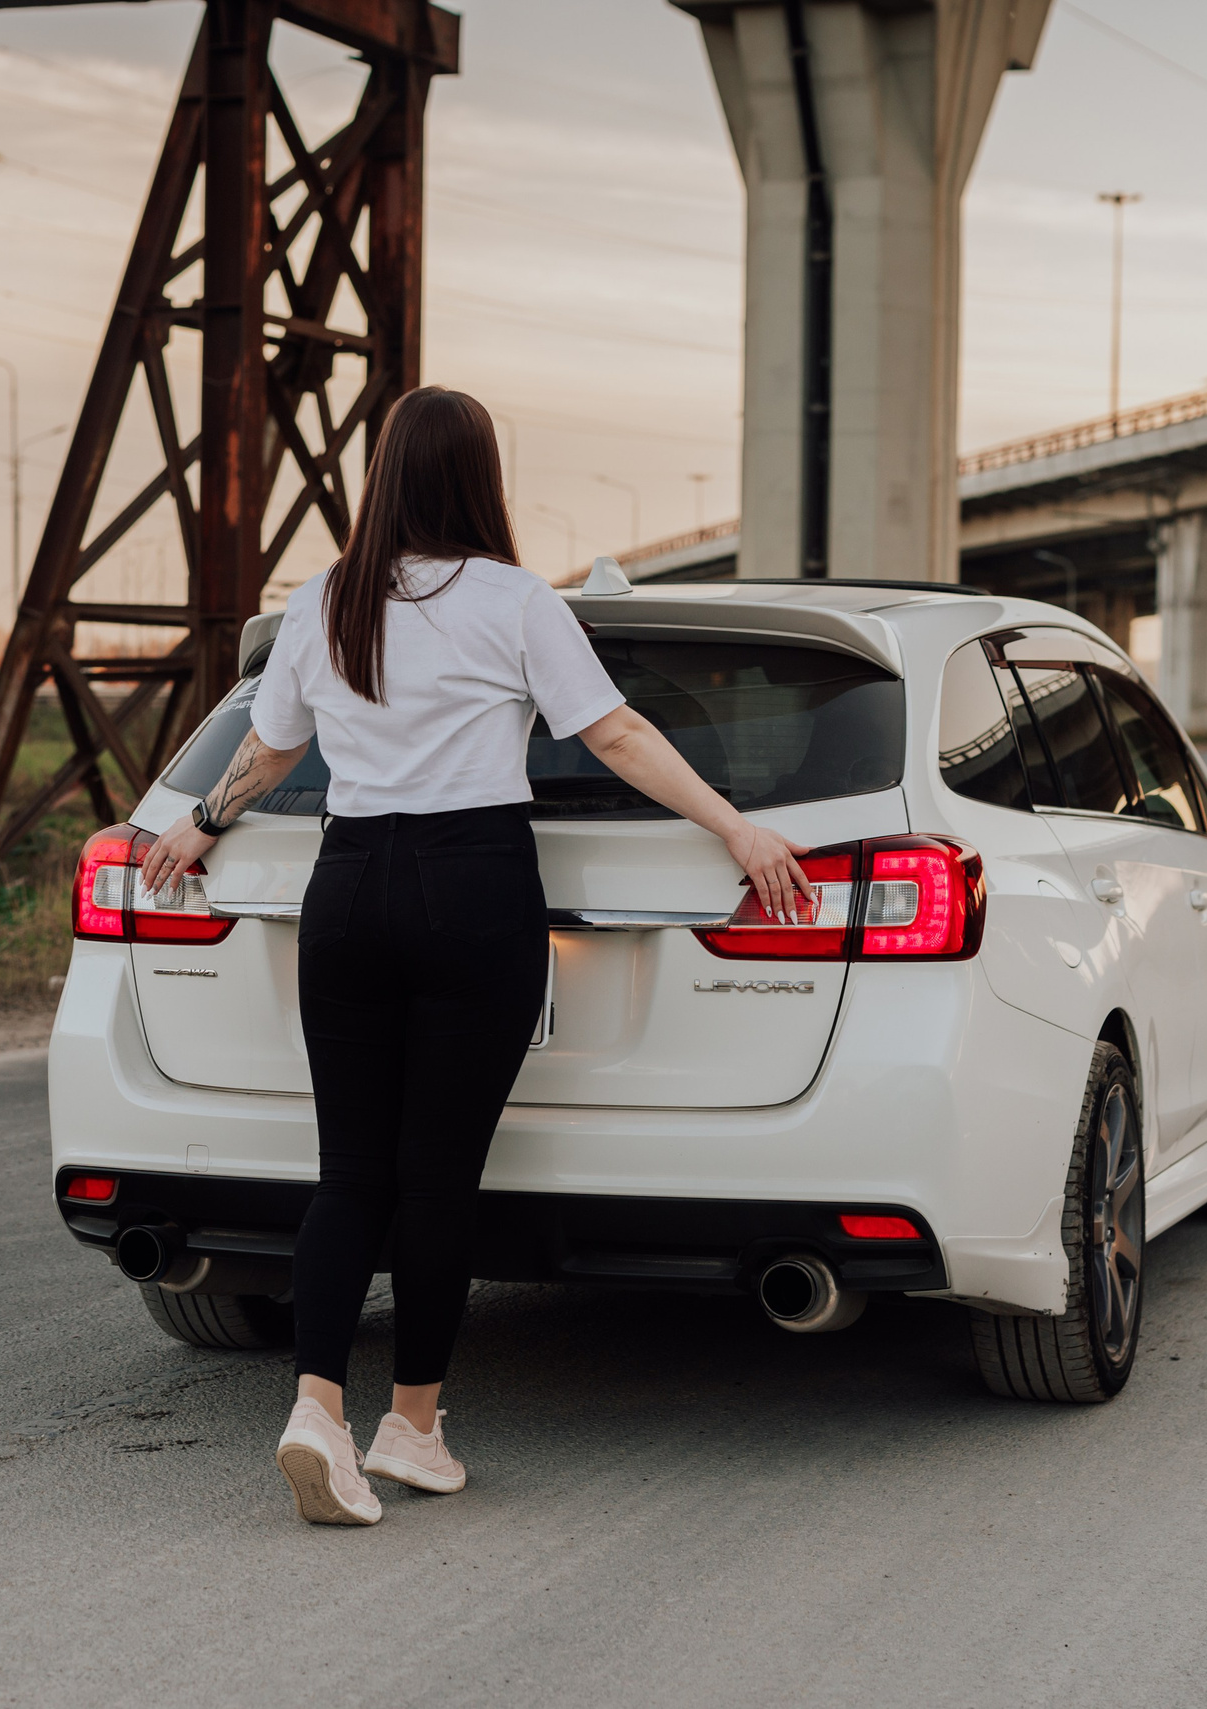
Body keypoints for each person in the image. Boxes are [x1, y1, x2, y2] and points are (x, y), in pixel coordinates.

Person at [137, 386, 812, 1527]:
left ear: (386, 475)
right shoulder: (513, 600)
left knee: (350, 1168)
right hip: (472, 885)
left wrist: (199, 822)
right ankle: (412, 1424)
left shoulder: (326, 600)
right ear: (477, 478)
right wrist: (733, 825)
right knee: (437, 1175)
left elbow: (270, 743)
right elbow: (617, 734)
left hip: (348, 886)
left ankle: (315, 1406)